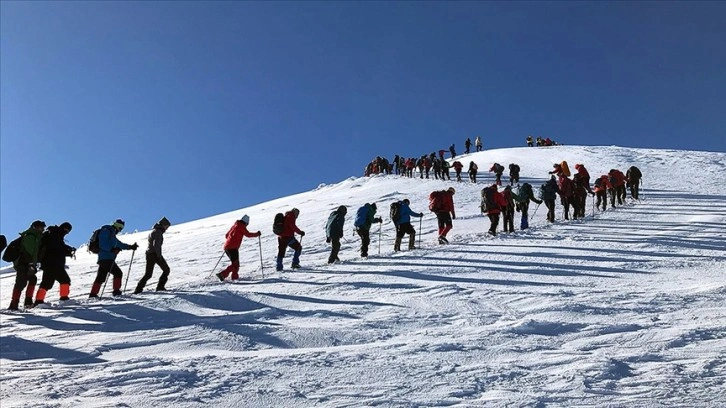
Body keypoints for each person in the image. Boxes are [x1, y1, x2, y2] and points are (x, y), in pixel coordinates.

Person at [88, 219, 138, 298]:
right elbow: (102, 244)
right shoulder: (106, 231)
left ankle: (93, 294)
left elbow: (120, 244)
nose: (120, 230)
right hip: (106, 258)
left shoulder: (112, 235)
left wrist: (130, 247)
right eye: (120, 228)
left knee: (101, 277)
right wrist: (112, 249)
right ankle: (116, 291)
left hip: (104, 259)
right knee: (118, 273)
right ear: (117, 226)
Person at [34, 222, 75, 306]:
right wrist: (67, 249)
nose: (67, 232)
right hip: (54, 263)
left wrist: (67, 250)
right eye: (67, 230)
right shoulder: (56, 234)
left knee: (46, 282)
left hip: (47, 263)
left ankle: (38, 301)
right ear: (64, 228)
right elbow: (56, 249)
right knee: (65, 280)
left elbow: (55, 248)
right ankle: (64, 298)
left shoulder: (53, 234)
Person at [7, 220, 45, 310]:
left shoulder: (36, 237)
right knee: (21, 283)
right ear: (36, 227)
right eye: (41, 227)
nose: (43, 229)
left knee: (32, 279)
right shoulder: (30, 236)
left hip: (27, 263)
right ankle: (14, 304)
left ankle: (27, 301)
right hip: (23, 263)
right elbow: (28, 251)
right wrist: (30, 263)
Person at [134, 217, 174, 292]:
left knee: (148, 274)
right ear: (163, 225)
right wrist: (159, 256)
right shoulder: (158, 232)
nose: (167, 228)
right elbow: (156, 245)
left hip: (149, 254)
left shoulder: (154, 231)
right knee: (166, 270)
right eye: (167, 226)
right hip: (155, 254)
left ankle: (138, 288)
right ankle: (160, 287)